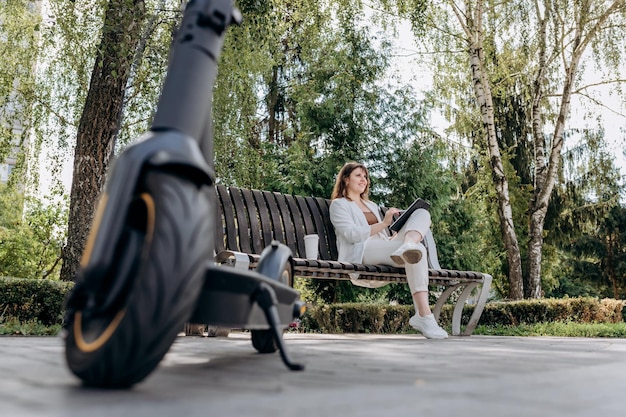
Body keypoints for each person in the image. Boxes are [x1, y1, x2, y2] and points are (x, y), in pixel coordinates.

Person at [329, 161, 448, 339]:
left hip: (382, 248)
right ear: (346, 179)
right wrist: (384, 223)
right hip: (362, 251)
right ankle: (425, 316)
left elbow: (382, 238)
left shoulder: (372, 205)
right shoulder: (339, 205)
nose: (364, 180)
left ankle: (408, 244)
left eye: (365, 176)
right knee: (418, 251)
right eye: (358, 175)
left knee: (421, 213)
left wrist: (393, 237)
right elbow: (351, 235)